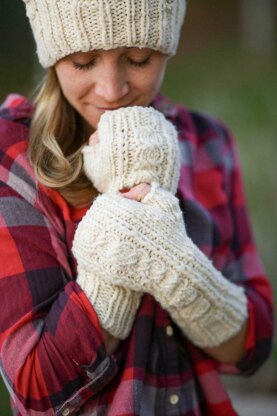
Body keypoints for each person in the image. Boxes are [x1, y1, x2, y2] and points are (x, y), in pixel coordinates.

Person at [0, 1, 273, 415]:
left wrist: (176, 266)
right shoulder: (12, 156)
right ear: (53, 54)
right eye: (83, 61)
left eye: (138, 58)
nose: (112, 90)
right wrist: (123, 229)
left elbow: (253, 344)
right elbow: (36, 390)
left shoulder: (207, 141)